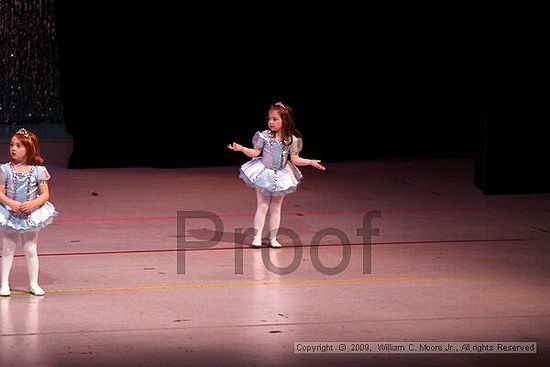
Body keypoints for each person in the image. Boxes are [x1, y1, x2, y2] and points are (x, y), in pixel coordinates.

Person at [228, 101, 325, 248]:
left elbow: (295, 159)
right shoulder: (264, 136)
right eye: (269, 118)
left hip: (282, 175)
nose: (270, 122)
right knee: (262, 205)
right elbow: (255, 152)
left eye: (275, 119)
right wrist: (242, 149)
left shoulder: (292, 139)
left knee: (276, 207)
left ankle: (273, 238)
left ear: (284, 121)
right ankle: (257, 237)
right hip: (263, 172)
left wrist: (310, 162)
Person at [0, 128, 58, 296]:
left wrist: (32, 204)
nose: (13, 148)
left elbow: (45, 194)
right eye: (11, 145)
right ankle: (4, 284)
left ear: (29, 149)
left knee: (30, 249)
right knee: (8, 249)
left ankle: (33, 283)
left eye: (18, 145)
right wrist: (12, 203)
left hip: (30, 215)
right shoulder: (5, 170)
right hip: (9, 214)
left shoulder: (38, 171)